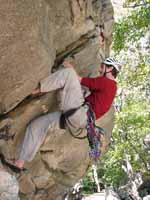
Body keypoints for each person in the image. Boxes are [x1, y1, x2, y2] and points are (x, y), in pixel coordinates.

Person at [15, 57, 121, 169]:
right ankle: (20, 162)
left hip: (79, 114)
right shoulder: (111, 88)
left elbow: (79, 80)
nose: (100, 69)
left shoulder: (107, 83)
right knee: (37, 125)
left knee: (69, 74)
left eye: (102, 66)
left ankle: (37, 89)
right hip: (77, 122)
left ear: (109, 68)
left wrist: (68, 65)